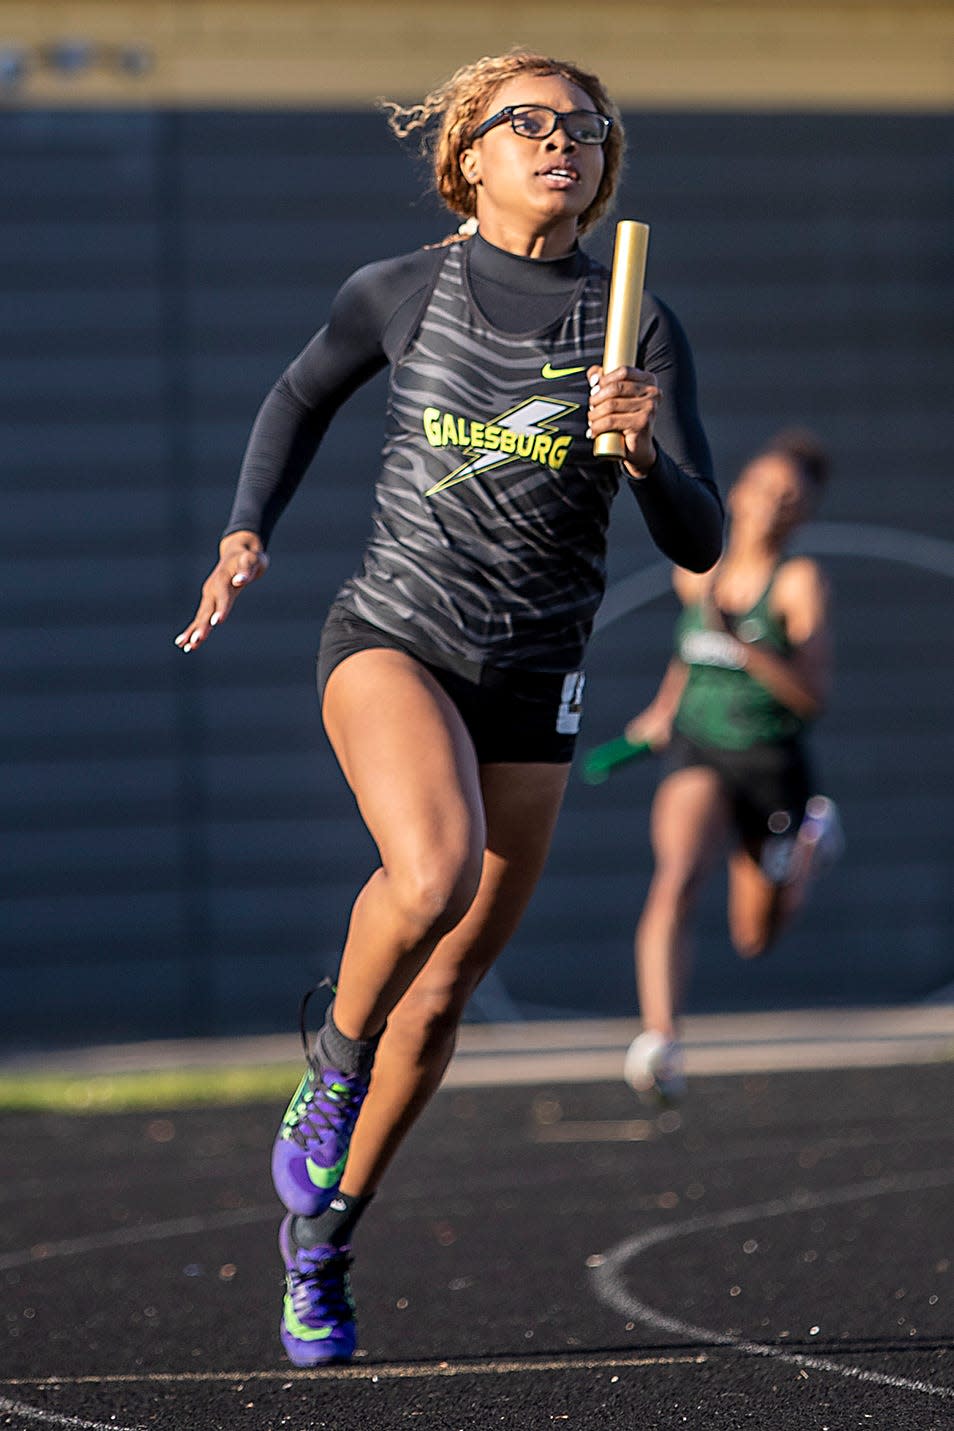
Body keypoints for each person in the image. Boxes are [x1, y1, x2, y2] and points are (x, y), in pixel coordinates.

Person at [175, 49, 723, 1365]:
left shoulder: (631, 320)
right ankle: (330, 1065)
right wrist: (248, 530)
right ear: (465, 154)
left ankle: (326, 1235)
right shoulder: (403, 290)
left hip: (534, 679)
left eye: (583, 128)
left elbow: (698, 538)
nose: (560, 142)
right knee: (421, 880)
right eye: (526, 123)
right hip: (392, 639)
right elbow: (299, 395)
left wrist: (642, 448)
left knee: (451, 983)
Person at [621, 430, 843, 1104]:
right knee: (678, 875)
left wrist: (742, 642)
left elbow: (811, 697)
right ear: (740, 490)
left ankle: (802, 855)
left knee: (756, 934)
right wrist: (662, 710)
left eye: (791, 498)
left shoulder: (799, 584)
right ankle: (661, 1037)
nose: (773, 504)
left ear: (801, 514)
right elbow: (688, 654)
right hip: (701, 748)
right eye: (767, 487)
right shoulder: (697, 570)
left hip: (771, 764)